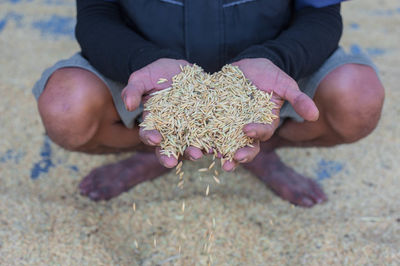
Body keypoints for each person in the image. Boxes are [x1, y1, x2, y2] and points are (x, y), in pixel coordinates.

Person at [32, 0, 384, 207]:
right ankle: (151, 150)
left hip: (271, 64)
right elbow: (97, 15)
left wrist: (276, 60)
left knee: (359, 101)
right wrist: (142, 61)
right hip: (145, 64)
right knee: (66, 110)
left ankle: (263, 146)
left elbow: (319, 14)